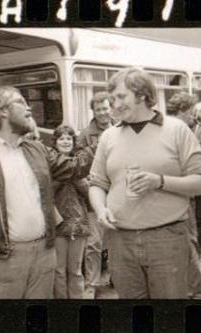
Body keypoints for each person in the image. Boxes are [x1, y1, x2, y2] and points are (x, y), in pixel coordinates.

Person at [0, 87, 95, 299]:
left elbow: (75, 167)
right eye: (20, 102)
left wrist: (105, 137)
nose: (29, 108)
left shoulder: (37, 149)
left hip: (45, 255)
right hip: (3, 259)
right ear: (2, 111)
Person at [88, 68, 201, 299]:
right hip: (120, 240)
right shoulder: (109, 136)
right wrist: (100, 209)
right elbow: (97, 183)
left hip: (167, 239)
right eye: (112, 99)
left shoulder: (176, 129)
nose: (114, 104)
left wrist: (160, 181)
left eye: (121, 97)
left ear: (142, 95)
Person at [165, 92, 201, 300]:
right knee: (186, 238)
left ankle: (191, 287)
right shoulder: (178, 129)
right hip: (180, 193)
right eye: (191, 111)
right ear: (182, 110)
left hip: (174, 191)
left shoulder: (166, 126)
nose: (194, 115)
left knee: (184, 239)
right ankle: (195, 289)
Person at [79, 91, 115, 296]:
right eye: (98, 109)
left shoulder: (121, 128)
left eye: (105, 108)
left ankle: (116, 277)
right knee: (94, 242)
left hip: (118, 193)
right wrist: (90, 191)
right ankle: (91, 284)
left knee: (117, 240)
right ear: (93, 111)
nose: (102, 113)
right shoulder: (85, 135)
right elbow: (79, 167)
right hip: (96, 194)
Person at [48, 125, 91, 299]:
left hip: (78, 224)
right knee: (58, 270)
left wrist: (79, 179)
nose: (65, 142)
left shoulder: (81, 164)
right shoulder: (50, 163)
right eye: (61, 138)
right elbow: (46, 192)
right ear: (55, 142)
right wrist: (61, 178)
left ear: (74, 142)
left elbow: (89, 195)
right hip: (57, 222)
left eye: (69, 139)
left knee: (75, 269)